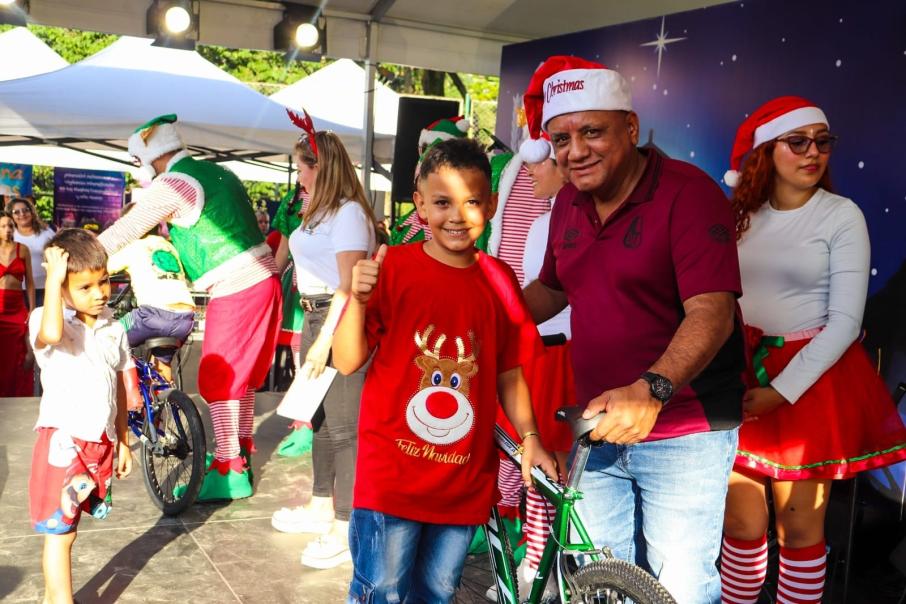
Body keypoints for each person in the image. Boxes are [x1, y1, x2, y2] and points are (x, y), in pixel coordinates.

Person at [521, 55, 746, 603]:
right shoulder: (568, 200)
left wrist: (652, 390)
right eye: (561, 139)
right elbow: (552, 289)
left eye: (592, 132)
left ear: (630, 127)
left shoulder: (688, 193)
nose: (575, 151)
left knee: (679, 588)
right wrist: (477, 314)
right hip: (596, 424)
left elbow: (711, 312)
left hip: (683, 429)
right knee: (598, 580)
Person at [332, 138, 558, 603]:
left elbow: (509, 370)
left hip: (463, 483)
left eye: (471, 202)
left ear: (490, 205)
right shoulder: (393, 266)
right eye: (442, 203)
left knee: (438, 591)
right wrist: (358, 299)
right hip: (391, 480)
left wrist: (531, 436)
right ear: (420, 205)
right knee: (381, 591)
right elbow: (347, 361)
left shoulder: (499, 279)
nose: (456, 216)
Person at [719, 97, 906, 604]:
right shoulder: (741, 215)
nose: (813, 153)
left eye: (822, 142)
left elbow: (845, 324)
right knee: (739, 522)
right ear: (766, 151)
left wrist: (780, 392)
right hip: (741, 374)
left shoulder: (841, 215)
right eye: (798, 142)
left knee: (799, 529)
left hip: (808, 382)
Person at [98, 113, 282, 502]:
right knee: (243, 379)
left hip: (238, 285)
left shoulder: (174, 183)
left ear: (150, 157)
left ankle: (230, 469)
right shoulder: (218, 172)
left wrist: (76, 254)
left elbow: (126, 230)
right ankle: (239, 453)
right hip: (264, 279)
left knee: (219, 378)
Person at [269, 125, 381, 570]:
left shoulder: (349, 213)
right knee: (318, 419)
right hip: (315, 316)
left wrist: (325, 340)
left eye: (301, 166)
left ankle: (346, 525)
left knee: (345, 427)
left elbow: (349, 285)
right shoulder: (318, 210)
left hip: (340, 320)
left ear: (321, 167)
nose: (298, 176)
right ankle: (321, 505)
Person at [27, 228, 133, 604]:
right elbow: (51, 333)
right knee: (59, 530)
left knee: (68, 531)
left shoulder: (113, 327)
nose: (99, 293)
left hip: (98, 442)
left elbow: (118, 387)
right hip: (64, 442)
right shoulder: (47, 318)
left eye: (103, 282)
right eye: (85, 287)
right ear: (62, 289)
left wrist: (123, 440)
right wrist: (54, 280)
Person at [106, 202, 196, 384]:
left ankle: (127, 392)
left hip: (152, 315)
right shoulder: (168, 246)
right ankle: (165, 396)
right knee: (162, 364)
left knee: (108, 338)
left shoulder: (134, 247)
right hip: (185, 319)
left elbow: (102, 269)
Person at [0, 209, 35, 396]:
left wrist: (32, 308)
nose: (7, 229)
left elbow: (30, 282)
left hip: (16, 306)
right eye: (3, 226)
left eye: (10, 226)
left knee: (21, 353)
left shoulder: (23, 249)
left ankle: (18, 396)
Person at [7, 196, 55, 307]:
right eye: (16, 212)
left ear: (32, 212)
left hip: (45, 287)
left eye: (25, 210)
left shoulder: (46, 232)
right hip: (16, 289)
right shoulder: (9, 234)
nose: (22, 214)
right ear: (11, 216)